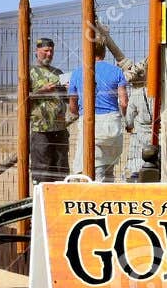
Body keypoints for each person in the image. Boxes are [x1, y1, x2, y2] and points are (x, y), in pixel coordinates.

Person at [67, 42, 128, 183]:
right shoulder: (116, 71)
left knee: (93, 168)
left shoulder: (77, 73)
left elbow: (73, 106)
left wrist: (77, 111)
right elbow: (124, 102)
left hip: (91, 123)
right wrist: (126, 119)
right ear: (104, 52)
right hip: (112, 122)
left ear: (87, 52)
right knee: (108, 169)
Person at [28, 37, 70, 186]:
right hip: (40, 130)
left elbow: (68, 99)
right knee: (42, 170)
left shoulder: (59, 72)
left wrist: (68, 90)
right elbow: (23, 99)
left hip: (59, 129)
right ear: (37, 51)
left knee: (61, 169)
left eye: (51, 51)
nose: (49, 54)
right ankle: (40, 203)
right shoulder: (29, 72)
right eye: (46, 51)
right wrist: (42, 91)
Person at [121, 63, 153, 181]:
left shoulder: (136, 94)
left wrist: (129, 127)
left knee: (135, 171)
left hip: (139, 139)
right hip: (160, 138)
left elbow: (129, 120)